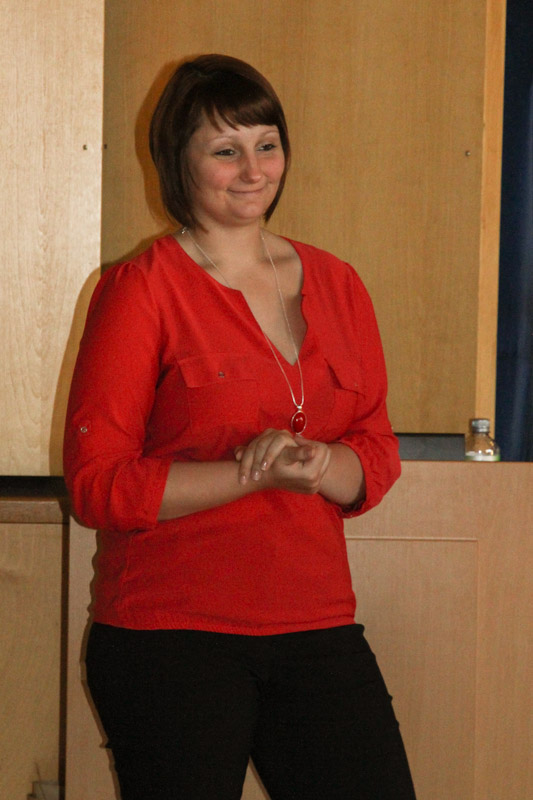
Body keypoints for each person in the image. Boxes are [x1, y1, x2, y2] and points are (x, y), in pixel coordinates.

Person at [63, 54, 416, 800]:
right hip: (169, 636)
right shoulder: (139, 290)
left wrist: (317, 465)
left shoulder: (339, 283)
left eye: (267, 145)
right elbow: (99, 486)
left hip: (316, 626)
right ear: (178, 162)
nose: (253, 170)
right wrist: (252, 473)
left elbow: (374, 452)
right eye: (225, 150)